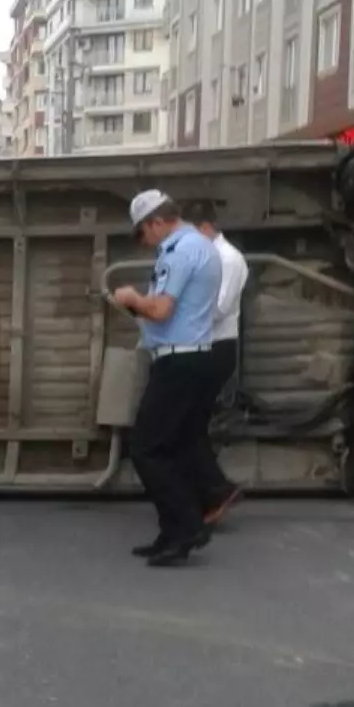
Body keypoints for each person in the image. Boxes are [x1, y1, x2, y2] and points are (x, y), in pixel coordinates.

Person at [113, 190, 222, 567]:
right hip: (190, 358)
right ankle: (172, 531)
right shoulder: (198, 245)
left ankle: (188, 526)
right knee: (172, 449)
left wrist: (131, 297)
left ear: (157, 222)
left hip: (179, 361)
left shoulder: (180, 251)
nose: (144, 242)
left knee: (147, 449)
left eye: (143, 233)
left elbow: (159, 309)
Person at [182, 199, 249, 525]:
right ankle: (209, 493)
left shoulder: (228, 259)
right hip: (202, 348)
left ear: (204, 227)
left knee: (188, 422)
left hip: (216, 348)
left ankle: (217, 491)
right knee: (189, 424)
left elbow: (219, 308)